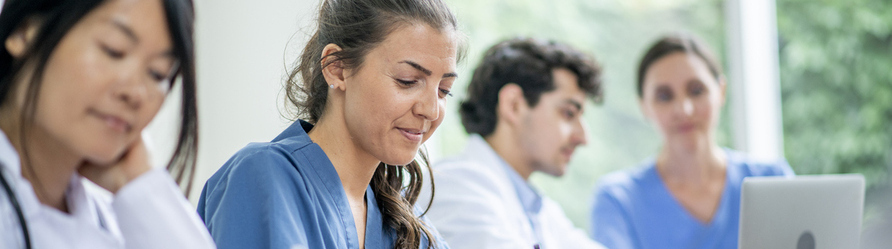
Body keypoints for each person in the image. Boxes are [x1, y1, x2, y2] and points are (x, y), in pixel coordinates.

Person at [196, 0, 461, 248]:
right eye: (407, 80)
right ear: (336, 67)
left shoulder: (409, 227)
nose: (431, 110)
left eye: (444, 90)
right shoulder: (263, 178)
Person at [0, 0, 214, 248]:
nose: (136, 93)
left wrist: (137, 183)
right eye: (114, 50)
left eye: (158, 73)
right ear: (24, 32)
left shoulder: (109, 220)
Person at [588, 33, 795, 249]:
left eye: (696, 91)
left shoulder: (772, 180)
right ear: (644, 106)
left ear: (720, 91)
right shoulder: (617, 201)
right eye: (664, 96)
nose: (684, 110)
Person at [418, 37, 606, 249]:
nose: (583, 138)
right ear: (513, 105)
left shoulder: (540, 211)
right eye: (568, 113)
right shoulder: (452, 188)